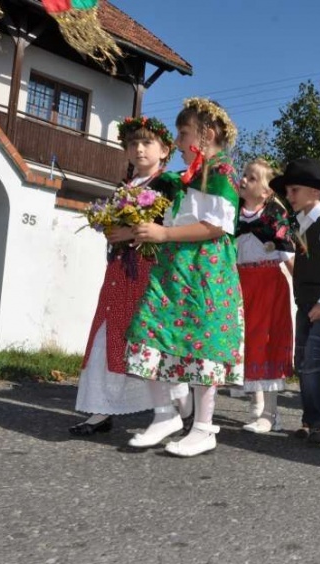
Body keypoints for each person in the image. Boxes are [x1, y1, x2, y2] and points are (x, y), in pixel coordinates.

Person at [124, 97, 244, 457]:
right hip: (174, 270)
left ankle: (204, 428)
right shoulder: (186, 177)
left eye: (183, 133)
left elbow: (213, 227)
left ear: (206, 134)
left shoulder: (220, 172)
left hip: (206, 272)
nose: (177, 142)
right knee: (149, 331)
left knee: (201, 344)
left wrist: (163, 235)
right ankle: (165, 415)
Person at [69, 116, 188, 437]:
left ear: (165, 151)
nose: (139, 149)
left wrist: (131, 230)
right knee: (108, 335)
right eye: (133, 143)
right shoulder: (124, 187)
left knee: (150, 337)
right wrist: (110, 229)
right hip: (121, 272)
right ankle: (100, 410)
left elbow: (173, 229)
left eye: (147, 143)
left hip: (153, 273)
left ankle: (179, 401)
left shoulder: (171, 184)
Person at [269, 158, 320, 445]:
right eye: (288, 191)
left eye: (294, 190)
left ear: (315, 192)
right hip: (307, 302)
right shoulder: (302, 225)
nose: (288, 196)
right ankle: (310, 419)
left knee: (316, 358)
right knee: (303, 359)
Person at [236, 158, 296, 433]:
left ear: (266, 192)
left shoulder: (274, 218)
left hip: (269, 284)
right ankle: (256, 407)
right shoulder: (232, 215)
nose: (244, 179)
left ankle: (271, 414)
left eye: (252, 177)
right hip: (240, 282)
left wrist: (308, 292)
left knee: (267, 342)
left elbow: (290, 256)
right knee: (245, 341)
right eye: (244, 174)